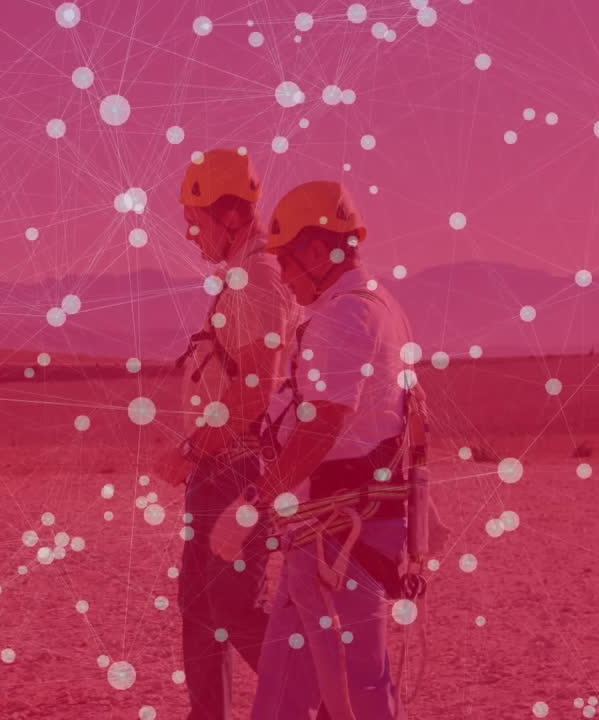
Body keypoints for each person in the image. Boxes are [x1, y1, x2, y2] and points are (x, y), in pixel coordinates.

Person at [208, 180, 420, 720]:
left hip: (341, 541)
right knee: (283, 696)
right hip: (325, 537)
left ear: (313, 247)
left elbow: (323, 423)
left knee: (357, 697)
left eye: (284, 257)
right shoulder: (375, 305)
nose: (281, 272)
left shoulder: (345, 315)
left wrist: (254, 505)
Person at [156, 148, 299, 720]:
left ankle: (316, 702)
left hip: (237, 469)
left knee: (235, 607)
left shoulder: (259, 281)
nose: (191, 235)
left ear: (232, 216)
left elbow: (255, 393)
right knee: (199, 603)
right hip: (219, 467)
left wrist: (193, 450)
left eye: (197, 221)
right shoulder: (243, 278)